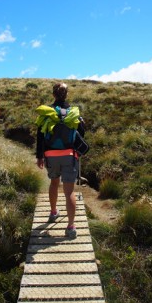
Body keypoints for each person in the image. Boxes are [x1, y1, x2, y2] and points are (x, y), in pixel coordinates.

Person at [35, 82, 85, 239]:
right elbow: (81, 132)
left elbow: (40, 135)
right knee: (69, 191)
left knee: (54, 183)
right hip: (69, 155)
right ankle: (70, 227)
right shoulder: (73, 112)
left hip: (51, 154)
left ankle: (53, 212)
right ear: (67, 94)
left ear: (53, 95)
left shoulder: (47, 113)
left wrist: (39, 156)